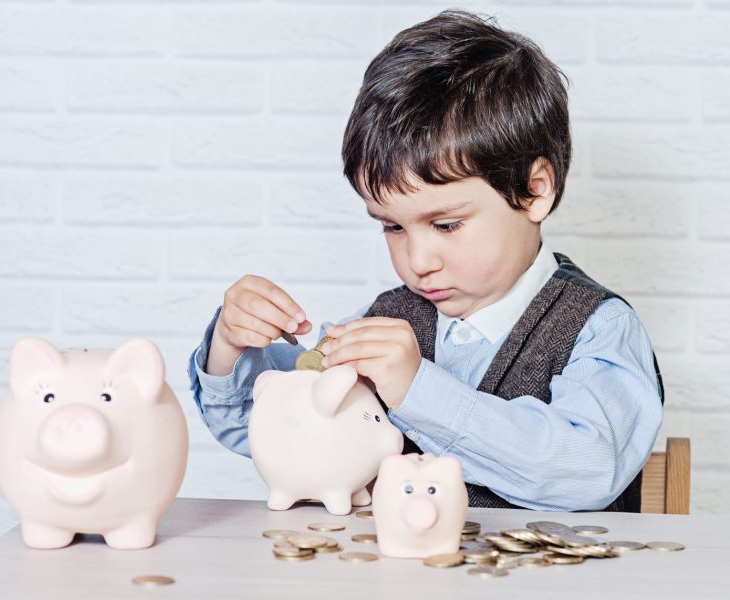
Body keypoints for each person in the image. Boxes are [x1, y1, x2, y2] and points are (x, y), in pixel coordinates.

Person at [187, 9, 663, 512]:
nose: (417, 260)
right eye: (392, 226)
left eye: (446, 225)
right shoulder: (386, 322)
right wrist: (232, 346)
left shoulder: (600, 329)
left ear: (533, 191)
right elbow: (263, 430)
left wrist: (418, 391)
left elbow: (586, 470)